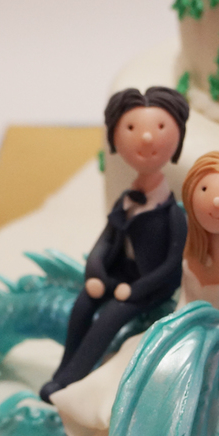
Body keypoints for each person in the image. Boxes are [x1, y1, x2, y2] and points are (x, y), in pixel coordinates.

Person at [51, 152, 219, 436]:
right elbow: (185, 299)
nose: (217, 202)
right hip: (181, 326)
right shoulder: (190, 254)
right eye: (206, 190)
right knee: (135, 351)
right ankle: (98, 416)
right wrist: (174, 329)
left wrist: (207, 340)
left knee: (170, 376)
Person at [40, 86, 189, 403]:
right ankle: (63, 367)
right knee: (83, 305)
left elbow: (172, 267)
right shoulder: (125, 200)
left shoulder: (173, 215)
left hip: (148, 287)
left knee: (110, 318)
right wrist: (95, 272)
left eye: (159, 127)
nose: (146, 137)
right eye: (132, 128)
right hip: (118, 275)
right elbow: (106, 240)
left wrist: (135, 291)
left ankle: (70, 379)